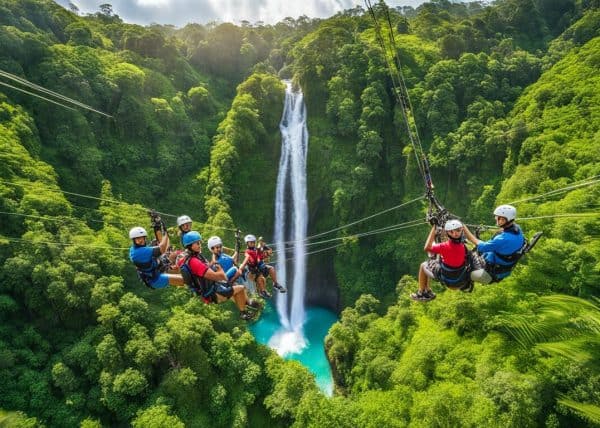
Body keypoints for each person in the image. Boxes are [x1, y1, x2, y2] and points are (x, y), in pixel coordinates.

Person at [178, 231, 259, 320]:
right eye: (197, 243)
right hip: (214, 292)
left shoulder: (193, 258)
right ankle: (243, 312)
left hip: (211, 288)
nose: (200, 244)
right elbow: (219, 276)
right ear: (190, 246)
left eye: (200, 242)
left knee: (235, 285)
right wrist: (220, 271)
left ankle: (247, 305)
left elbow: (205, 270)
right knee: (240, 288)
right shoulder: (195, 261)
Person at [410, 219, 471, 302]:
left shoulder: (444, 246)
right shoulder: (464, 247)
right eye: (452, 232)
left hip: (447, 280)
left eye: (457, 231)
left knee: (424, 265)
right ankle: (427, 290)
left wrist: (433, 229)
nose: (455, 234)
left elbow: (427, 247)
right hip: (460, 281)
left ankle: (421, 292)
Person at [463, 204, 526, 284]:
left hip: (492, 268)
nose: (495, 219)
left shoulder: (502, 239)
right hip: (505, 265)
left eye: (498, 218)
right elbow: (503, 234)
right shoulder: (517, 230)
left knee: (465, 262)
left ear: (503, 220)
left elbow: (480, 245)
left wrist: (464, 228)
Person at [238, 234, 286, 299]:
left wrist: (265, 247)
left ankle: (275, 283)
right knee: (259, 277)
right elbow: (252, 260)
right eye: (251, 242)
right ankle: (263, 291)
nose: (252, 244)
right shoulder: (247, 252)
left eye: (253, 242)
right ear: (247, 243)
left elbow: (269, 251)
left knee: (271, 268)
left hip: (260, 266)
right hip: (253, 269)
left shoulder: (256, 249)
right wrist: (261, 256)